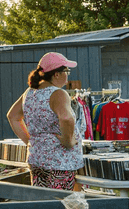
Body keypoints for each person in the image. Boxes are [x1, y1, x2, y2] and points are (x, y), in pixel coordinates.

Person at [6, 52, 83, 194]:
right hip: (59, 162)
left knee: (40, 201)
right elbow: (66, 118)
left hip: (37, 159)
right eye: (66, 71)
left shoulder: (30, 93)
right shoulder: (58, 94)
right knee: (60, 202)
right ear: (56, 74)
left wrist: (30, 141)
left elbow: (13, 116)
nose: (68, 75)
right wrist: (68, 141)